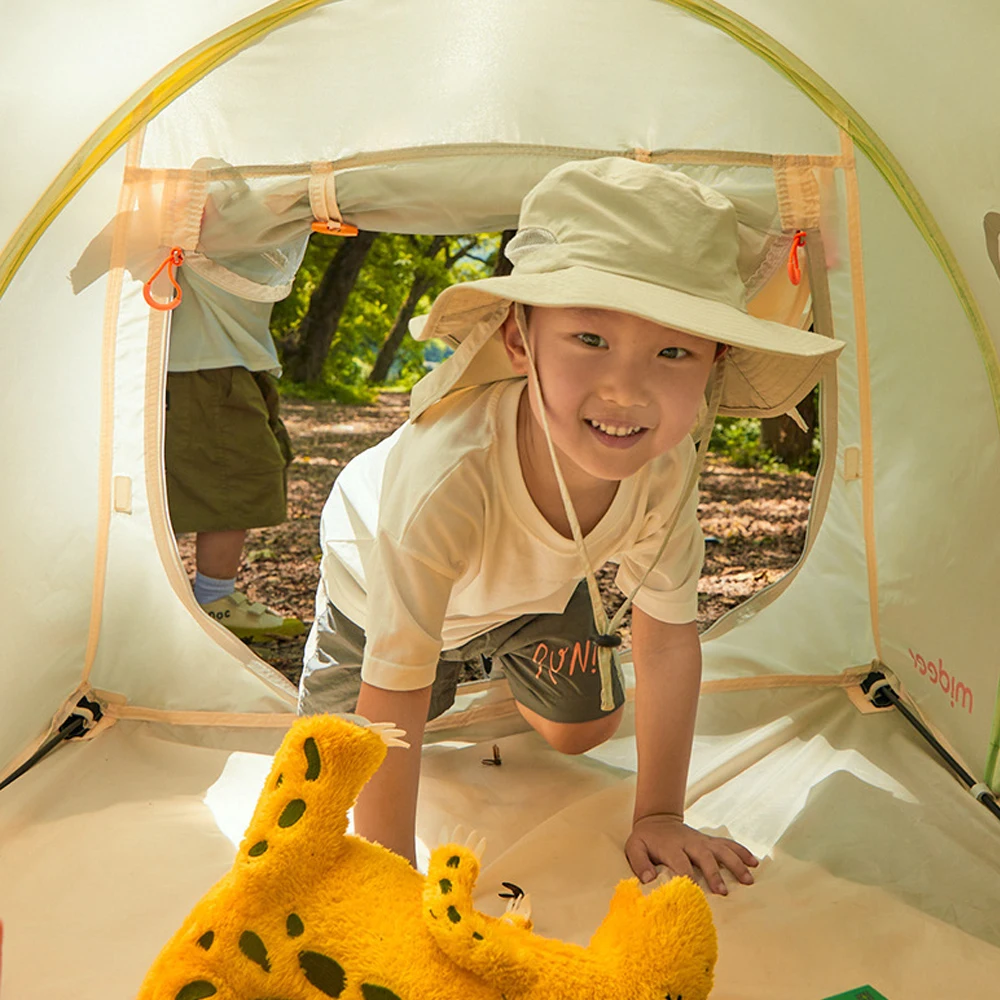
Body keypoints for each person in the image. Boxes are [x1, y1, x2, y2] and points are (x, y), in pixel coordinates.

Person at [298, 159, 843, 893]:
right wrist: (389, 880)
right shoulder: (448, 477)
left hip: (530, 598)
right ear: (519, 341)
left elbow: (667, 636)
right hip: (375, 606)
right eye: (589, 338)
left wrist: (658, 814)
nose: (626, 387)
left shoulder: (669, 466)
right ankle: (453, 665)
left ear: (716, 362)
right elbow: (390, 690)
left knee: (584, 733)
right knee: (331, 781)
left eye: (673, 350)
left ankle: (494, 663)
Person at [165, 248, 305, 642]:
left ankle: (210, 599)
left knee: (237, 473)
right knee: (234, 477)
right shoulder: (202, 197)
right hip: (204, 357)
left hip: (225, 353)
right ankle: (210, 603)